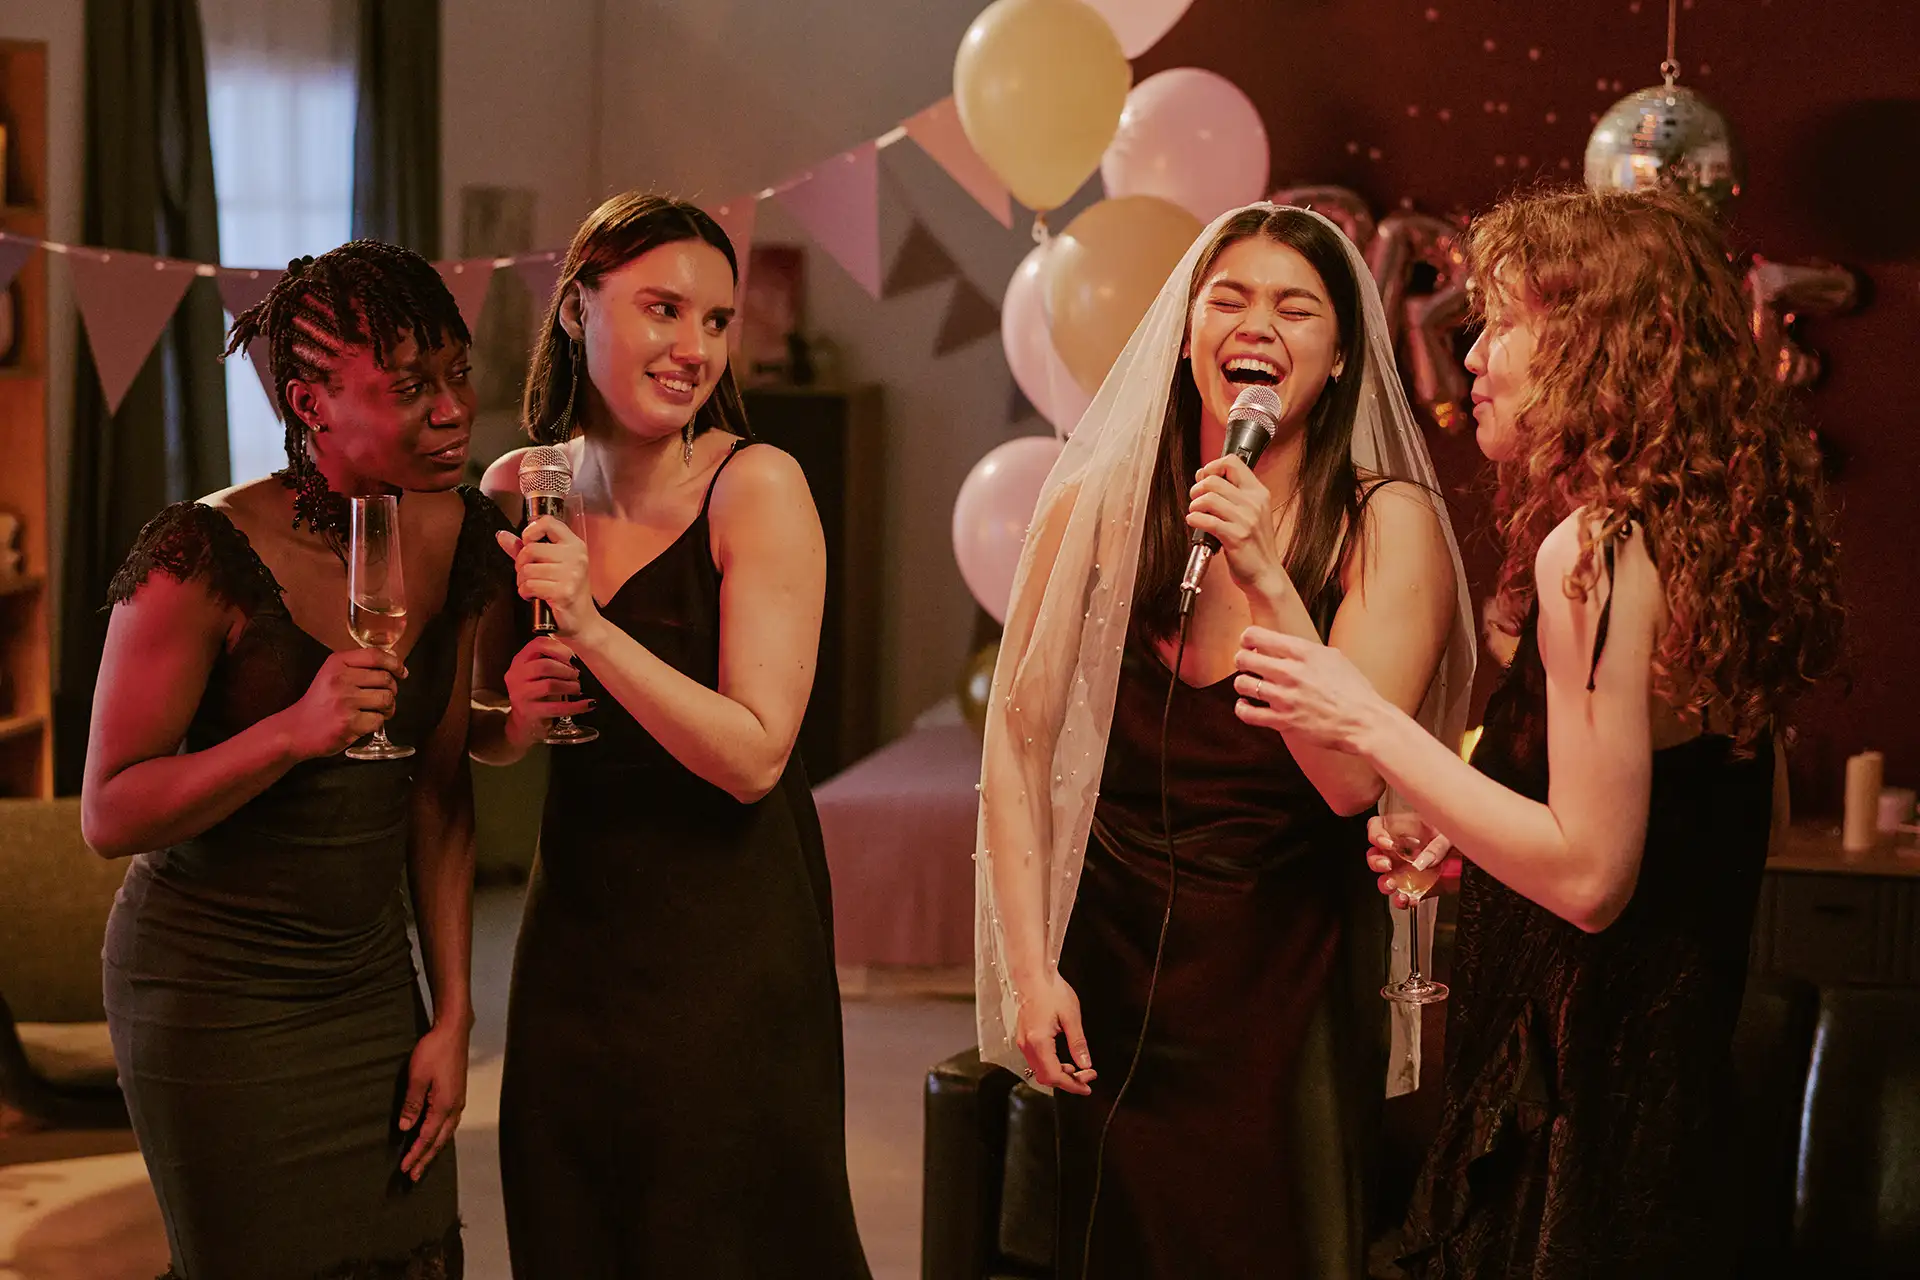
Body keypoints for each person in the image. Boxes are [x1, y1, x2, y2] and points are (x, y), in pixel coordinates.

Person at [1231, 187, 1845, 1277]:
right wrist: (1468, 843)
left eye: (1501, 320)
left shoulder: (1593, 553)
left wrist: (1364, 715)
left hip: (1582, 1109)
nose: (1471, 353)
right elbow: (1713, 820)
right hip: (1668, 1088)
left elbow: (1594, 875)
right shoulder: (1696, 543)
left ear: (1591, 344)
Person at [974, 203, 1477, 1279]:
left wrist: (1264, 574)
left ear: (1341, 356)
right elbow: (1016, 745)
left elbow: (1348, 782)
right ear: (1187, 331)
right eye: (1229, 297)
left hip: (1280, 988)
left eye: (1296, 306)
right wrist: (1029, 968)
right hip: (1104, 967)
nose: (1259, 324)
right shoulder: (1098, 510)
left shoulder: (1387, 525)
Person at [82, 241, 509, 1278]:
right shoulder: (201, 557)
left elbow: (443, 798)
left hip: (368, 985)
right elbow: (110, 810)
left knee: (410, 1256)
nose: (452, 408)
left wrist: (453, 1014)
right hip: (213, 995)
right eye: (411, 387)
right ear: (312, 402)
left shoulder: (462, 535)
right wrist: (289, 732)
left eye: (457, 373)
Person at [470, 192, 871, 1278]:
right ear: (576, 310)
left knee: (718, 1233)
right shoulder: (521, 486)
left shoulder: (759, 487)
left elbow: (754, 756)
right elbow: (495, 742)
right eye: (661, 309)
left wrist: (593, 628)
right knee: (573, 1215)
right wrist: (513, 707)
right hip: (577, 930)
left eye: (715, 320)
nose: (692, 347)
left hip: (727, 939)